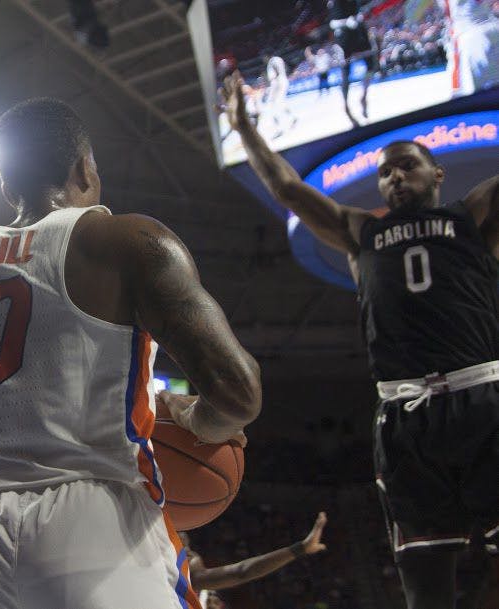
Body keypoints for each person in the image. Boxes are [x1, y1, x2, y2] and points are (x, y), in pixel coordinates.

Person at [0, 97, 261, 609]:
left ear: (6, 186)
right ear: (85, 169)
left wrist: (16, 466)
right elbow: (238, 394)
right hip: (95, 527)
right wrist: (199, 421)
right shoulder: (126, 241)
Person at [223, 72, 499, 609]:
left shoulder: (472, 216)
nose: (394, 177)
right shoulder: (360, 231)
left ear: (437, 174)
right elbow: (285, 187)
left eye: (407, 166)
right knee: (424, 584)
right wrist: (243, 128)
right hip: (404, 418)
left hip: (481, 401)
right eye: (385, 172)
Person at [180, 511, 328, 606]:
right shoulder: (186, 576)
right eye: (184, 548)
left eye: (189, 548)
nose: (191, 555)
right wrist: (300, 548)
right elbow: (241, 572)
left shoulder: (191, 584)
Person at [327, 0, 380, 126]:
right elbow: (332, 22)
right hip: (343, 34)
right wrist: (346, 22)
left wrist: (360, 19)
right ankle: (346, 106)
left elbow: (359, 11)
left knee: (372, 65)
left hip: (359, 30)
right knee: (346, 71)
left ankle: (364, 96)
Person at [262, 55, 296, 138]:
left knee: (270, 107)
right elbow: (285, 68)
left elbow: (276, 72)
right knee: (280, 104)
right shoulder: (279, 58)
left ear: (267, 56)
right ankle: (292, 118)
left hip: (277, 84)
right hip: (283, 81)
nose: (264, 60)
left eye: (264, 58)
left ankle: (278, 129)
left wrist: (273, 89)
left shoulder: (272, 61)